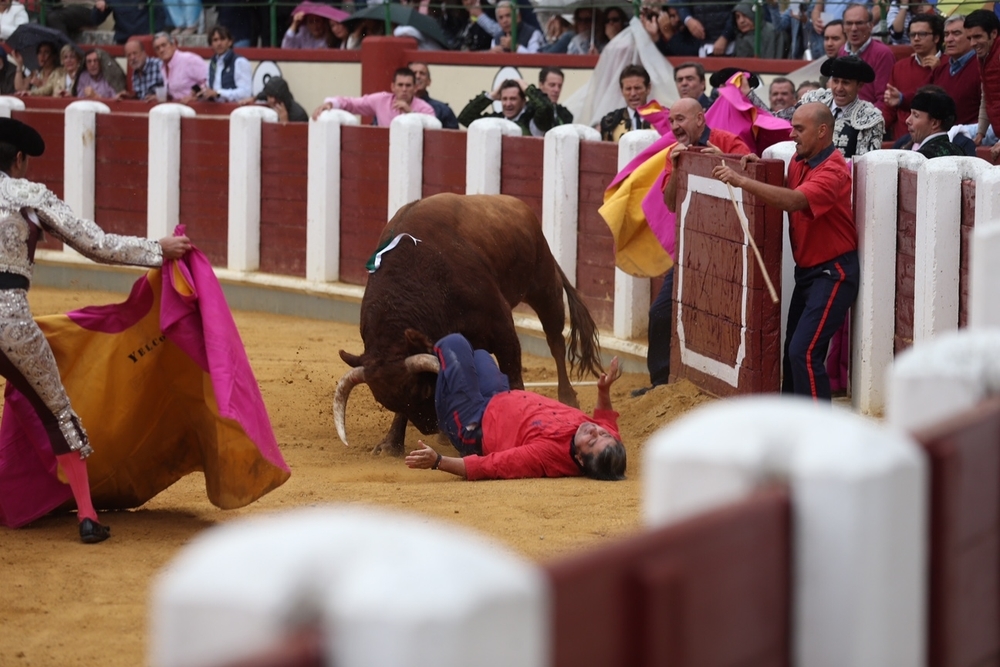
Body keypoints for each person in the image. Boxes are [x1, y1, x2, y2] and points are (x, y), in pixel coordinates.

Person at [0, 116, 192, 542]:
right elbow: (94, 243)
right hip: (7, 315)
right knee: (58, 414)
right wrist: (156, 250)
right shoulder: (27, 194)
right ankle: (86, 517)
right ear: (18, 159)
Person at [712, 103, 858, 401]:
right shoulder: (800, 160)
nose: (792, 134)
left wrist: (741, 181)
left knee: (803, 351)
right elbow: (785, 187)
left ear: (822, 131)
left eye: (799, 129)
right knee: (795, 349)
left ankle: (819, 430)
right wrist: (755, 167)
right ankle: (795, 421)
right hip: (808, 272)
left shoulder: (833, 171)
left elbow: (793, 201)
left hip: (833, 272)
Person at [628, 97, 751, 397]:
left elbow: (752, 180)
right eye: (671, 121)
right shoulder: (676, 152)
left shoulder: (728, 141)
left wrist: (724, 159)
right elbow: (670, 202)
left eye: (680, 119)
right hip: (691, 249)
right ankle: (660, 383)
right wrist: (675, 166)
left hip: (727, 250)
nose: (675, 126)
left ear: (700, 119)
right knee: (660, 313)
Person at [404, 333, 627, 481]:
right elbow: (606, 420)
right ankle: (448, 379)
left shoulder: (544, 456)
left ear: (579, 459)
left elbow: (490, 466)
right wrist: (604, 391)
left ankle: (437, 401)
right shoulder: (606, 440)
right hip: (498, 399)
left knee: (454, 344)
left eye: (592, 440)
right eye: (603, 434)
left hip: (473, 425)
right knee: (480, 354)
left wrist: (438, 461)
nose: (595, 429)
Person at [768, 56, 885, 160]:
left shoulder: (869, 118)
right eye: (835, 81)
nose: (839, 88)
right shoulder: (813, 100)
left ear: (859, 86)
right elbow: (774, 120)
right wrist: (750, 96)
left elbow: (865, 167)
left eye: (846, 83)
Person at [880, 13, 943, 140]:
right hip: (902, 140)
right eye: (912, 35)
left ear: (936, 38)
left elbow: (943, 103)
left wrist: (938, 70)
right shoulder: (900, 66)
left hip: (934, 138)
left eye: (922, 34)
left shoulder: (947, 64)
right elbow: (889, 109)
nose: (916, 38)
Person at [313, 67, 434, 126]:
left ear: (415, 88)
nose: (404, 89)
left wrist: (411, 114)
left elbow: (433, 127)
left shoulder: (425, 108)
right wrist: (330, 103)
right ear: (393, 87)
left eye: (408, 86)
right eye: (400, 85)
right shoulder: (381, 100)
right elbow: (352, 103)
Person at [838, 3, 894, 104]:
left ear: (871, 26)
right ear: (843, 27)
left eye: (859, 23)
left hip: (871, 115)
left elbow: (885, 99)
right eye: (849, 23)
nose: (854, 28)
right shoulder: (842, 51)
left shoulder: (882, 53)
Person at [930, 15, 981, 126]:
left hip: (971, 139)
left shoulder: (981, 67)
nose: (949, 39)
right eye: (947, 34)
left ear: (970, 36)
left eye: (956, 33)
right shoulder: (940, 68)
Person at [965, 10, 1000, 152]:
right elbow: (987, 96)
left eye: (978, 36)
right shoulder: (983, 57)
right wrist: (980, 134)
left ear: (993, 34)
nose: (973, 43)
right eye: (970, 38)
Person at [457, 78, 533, 135]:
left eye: (513, 99)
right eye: (504, 99)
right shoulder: (496, 119)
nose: (508, 104)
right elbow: (465, 118)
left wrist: (528, 90)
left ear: (523, 101)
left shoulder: (533, 118)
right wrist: (491, 96)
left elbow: (544, 108)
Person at [904, 90, 965, 158]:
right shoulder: (960, 151)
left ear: (935, 123)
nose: (907, 121)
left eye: (916, 115)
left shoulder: (923, 156)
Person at [198, 25, 251, 103]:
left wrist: (219, 93)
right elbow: (210, 89)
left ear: (230, 42)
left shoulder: (239, 62)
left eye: (222, 39)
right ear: (211, 44)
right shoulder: (211, 63)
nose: (219, 43)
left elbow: (246, 93)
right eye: (215, 40)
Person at [599, 65, 652, 142]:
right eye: (628, 89)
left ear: (648, 88)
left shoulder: (665, 117)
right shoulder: (610, 121)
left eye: (637, 88)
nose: (633, 93)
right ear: (622, 91)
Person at [153, 31, 207, 103]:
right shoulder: (162, 67)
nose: (161, 50)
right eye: (157, 48)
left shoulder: (189, 60)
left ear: (173, 45)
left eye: (164, 45)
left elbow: (208, 82)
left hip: (197, 107)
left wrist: (195, 97)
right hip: (177, 108)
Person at [409, 62, 459, 130]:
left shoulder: (443, 110)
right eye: (414, 73)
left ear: (429, 81)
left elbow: (453, 138)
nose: (418, 76)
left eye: (422, 73)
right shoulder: (394, 105)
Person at [91, 0, 167, 44]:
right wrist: (99, 8)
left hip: (144, 41)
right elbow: (95, 20)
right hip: (123, 41)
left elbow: (160, 14)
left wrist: (153, 35)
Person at [526, 66, 573, 136]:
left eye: (559, 86)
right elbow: (544, 107)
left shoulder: (564, 114)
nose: (556, 90)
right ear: (541, 85)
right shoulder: (529, 110)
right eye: (552, 85)